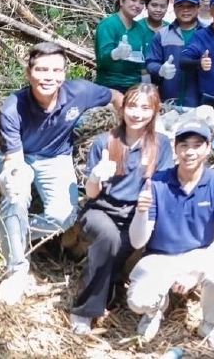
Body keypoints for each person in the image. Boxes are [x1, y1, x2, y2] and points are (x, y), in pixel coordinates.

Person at [0, 43, 123, 304]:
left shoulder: (80, 92)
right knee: (16, 194)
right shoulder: (13, 108)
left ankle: (15, 232)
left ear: (64, 73)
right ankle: (16, 271)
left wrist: (124, 132)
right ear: (29, 73)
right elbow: (14, 160)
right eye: (41, 70)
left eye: (55, 70)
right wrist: (12, 178)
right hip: (20, 157)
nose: (48, 77)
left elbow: (116, 96)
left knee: (64, 216)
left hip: (56, 157)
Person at [68, 84, 174, 334]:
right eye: (132, 106)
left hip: (136, 214)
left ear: (155, 111)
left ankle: (113, 291)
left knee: (119, 252)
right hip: (101, 209)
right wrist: (95, 177)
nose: (137, 113)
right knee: (108, 238)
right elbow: (91, 193)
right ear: (122, 108)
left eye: (145, 108)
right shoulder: (105, 142)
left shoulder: (160, 144)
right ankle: (83, 311)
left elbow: (161, 187)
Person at [127, 120, 214, 353]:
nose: (189, 152)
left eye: (197, 145)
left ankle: (210, 325)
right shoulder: (157, 182)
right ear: (175, 149)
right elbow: (137, 241)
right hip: (160, 256)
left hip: (198, 255)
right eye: (184, 145)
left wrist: (195, 272)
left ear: (208, 148)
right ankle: (155, 309)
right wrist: (141, 213)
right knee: (138, 301)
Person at [95, 0, 155, 92]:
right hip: (109, 85)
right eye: (133, 0)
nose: (137, 5)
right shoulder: (108, 24)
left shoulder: (140, 29)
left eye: (142, 2)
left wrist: (147, 88)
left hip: (135, 87)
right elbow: (101, 59)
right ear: (122, 1)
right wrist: (115, 54)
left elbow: (143, 63)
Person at [146, 0, 202, 107]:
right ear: (174, 8)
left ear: (198, 7)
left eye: (190, 6)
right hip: (168, 100)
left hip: (199, 103)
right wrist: (160, 70)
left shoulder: (208, 34)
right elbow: (151, 62)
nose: (185, 10)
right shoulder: (162, 34)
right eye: (181, 6)